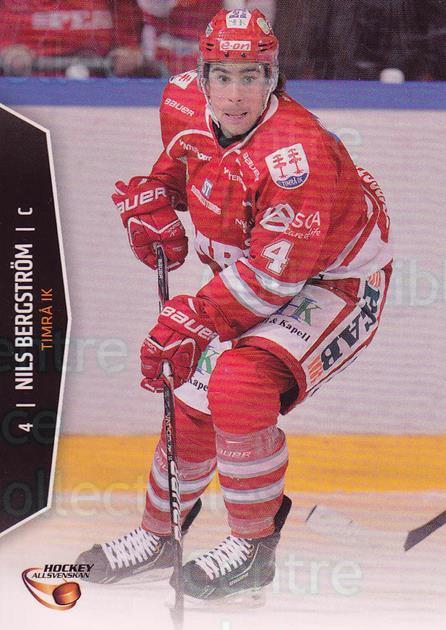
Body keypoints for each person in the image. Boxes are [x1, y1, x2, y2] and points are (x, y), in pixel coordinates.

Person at [77, 7, 392, 603]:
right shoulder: (181, 101)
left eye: (252, 76)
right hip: (259, 268)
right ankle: (159, 536)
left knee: (239, 383)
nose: (236, 93)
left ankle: (252, 549)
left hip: (335, 281)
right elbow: (185, 167)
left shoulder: (296, 155)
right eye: (223, 76)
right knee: (190, 405)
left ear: (274, 78)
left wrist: (193, 317)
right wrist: (154, 200)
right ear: (202, 76)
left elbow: (274, 280)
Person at [0, 0, 144, 77]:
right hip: (26, 89)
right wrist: (5, 52)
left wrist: (130, 53)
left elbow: (130, 42)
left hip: (102, 90)